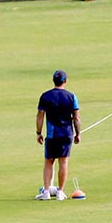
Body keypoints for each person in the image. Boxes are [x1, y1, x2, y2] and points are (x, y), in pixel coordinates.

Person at [35, 70, 81, 201]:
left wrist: (38, 133)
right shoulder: (72, 97)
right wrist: (78, 134)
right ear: (65, 81)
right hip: (67, 134)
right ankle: (60, 192)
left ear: (53, 80)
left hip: (52, 134)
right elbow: (76, 118)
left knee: (49, 161)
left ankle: (46, 192)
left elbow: (40, 116)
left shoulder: (45, 96)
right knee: (63, 161)